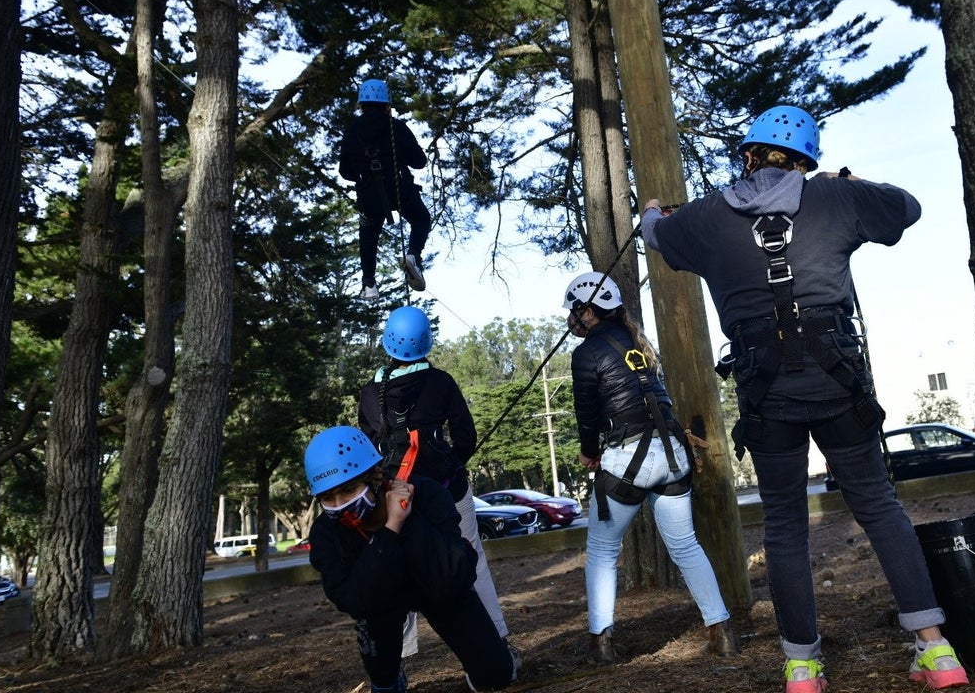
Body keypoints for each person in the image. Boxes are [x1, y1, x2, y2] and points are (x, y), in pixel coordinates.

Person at [640, 105, 970, 692]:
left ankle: (801, 666)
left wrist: (652, 213)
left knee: (786, 526)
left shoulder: (707, 217)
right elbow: (905, 208)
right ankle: (936, 650)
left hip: (767, 395)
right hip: (837, 382)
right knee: (877, 505)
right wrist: (846, 184)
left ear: (749, 155)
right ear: (806, 159)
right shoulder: (833, 197)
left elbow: (659, 238)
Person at [561, 271, 738, 664]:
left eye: (575, 310)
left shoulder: (585, 353)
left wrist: (590, 451)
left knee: (603, 552)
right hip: (672, 457)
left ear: (589, 311)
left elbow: (586, 414)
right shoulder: (638, 342)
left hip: (627, 458)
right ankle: (722, 631)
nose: (571, 318)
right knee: (686, 546)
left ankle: (601, 643)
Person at [304, 425, 520, 692]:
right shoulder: (326, 532)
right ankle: (387, 678)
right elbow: (353, 600)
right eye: (328, 497)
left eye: (349, 490)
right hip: (380, 600)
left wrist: (408, 519)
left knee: (495, 675)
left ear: (376, 476)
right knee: (382, 674)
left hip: (437, 587)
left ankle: (494, 658)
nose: (340, 505)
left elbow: (456, 575)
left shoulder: (427, 495)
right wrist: (391, 528)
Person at [357, 305, 511, 643]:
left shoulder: (370, 393)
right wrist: (451, 464)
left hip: (395, 496)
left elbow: (368, 449)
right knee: (472, 558)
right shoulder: (440, 382)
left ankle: (395, 660)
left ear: (388, 344)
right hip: (447, 490)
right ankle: (495, 640)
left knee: (394, 570)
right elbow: (465, 436)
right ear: (426, 343)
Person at [338, 77, 431, 296]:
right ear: (386, 104)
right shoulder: (396, 127)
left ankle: (369, 283)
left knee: (368, 235)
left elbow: (345, 171)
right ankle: (413, 256)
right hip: (400, 188)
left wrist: (364, 173)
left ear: (361, 104)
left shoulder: (352, 131)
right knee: (420, 219)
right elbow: (419, 161)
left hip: (369, 193)